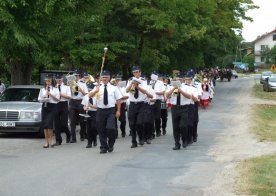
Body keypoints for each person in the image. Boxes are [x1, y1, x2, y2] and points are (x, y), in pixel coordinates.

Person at [89, 70, 122, 153]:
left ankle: (111, 144)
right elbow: (89, 95)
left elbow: (118, 100)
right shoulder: (97, 87)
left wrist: (118, 110)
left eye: (106, 77)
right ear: (101, 78)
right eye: (103, 77)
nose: (105, 79)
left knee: (111, 128)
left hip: (111, 110)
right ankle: (104, 147)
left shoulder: (114, 88)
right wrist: (95, 91)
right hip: (100, 110)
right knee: (101, 129)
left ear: (109, 78)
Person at [166, 73, 192, 150]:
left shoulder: (186, 87)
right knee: (175, 127)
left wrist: (180, 90)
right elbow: (167, 95)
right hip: (174, 108)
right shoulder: (171, 87)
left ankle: (184, 140)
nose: (178, 81)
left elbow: (189, 96)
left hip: (184, 108)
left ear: (183, 79)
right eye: (177, 79)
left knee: (183, 125)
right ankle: (177, 143)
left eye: (180, 79)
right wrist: (174, 89)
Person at [126, 66, 148, 148]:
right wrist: (132, 84)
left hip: (141, 104)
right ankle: (134, 142)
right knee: (132, 124)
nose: (136, 73)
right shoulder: (130, 80)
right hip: (132, 104)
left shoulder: (143, 81)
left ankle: (141, 138)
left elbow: (145, 91)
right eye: (134, 72)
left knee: (139, 123)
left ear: (140, 72)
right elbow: (127, 90)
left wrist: (137, 86)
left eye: (137, 72)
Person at [38, 75, 60, 148]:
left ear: (51, 81)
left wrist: (51, 95)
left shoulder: (55, 89)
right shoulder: (42, 89)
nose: (48, 82)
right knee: (45, 125)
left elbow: (58, 99)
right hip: (45, 106)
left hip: (52, 106)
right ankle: (46, 142)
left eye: (49, 81)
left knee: (49, 124)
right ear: (45, 81)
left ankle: (51, 140)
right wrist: (44, 97)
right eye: (47, 81)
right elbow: (39, 99)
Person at [68, 70, 88, 143]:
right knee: (72, 121)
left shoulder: (83, 84)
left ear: (79, 76)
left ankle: (82, 135)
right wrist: (70, 87)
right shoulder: (70, 83)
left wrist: (81, 90)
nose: (75, 77)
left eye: (77, 76)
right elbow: (68, 94)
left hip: (80, 102)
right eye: (74, 76)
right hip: (72, 101)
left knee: (82, 120)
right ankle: (73, 138)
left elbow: (86, 94)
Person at [53, 74, 72, 146]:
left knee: (64, 124)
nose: (58, 81)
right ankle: (58, 140)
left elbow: (69, 97)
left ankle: (68, 134)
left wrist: (61, 94)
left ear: (62, 79)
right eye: (57, 80)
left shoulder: (66, 87)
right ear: (55, 80)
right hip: (56, 104)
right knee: (56, 123)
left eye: (60, 80)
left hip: (64, 104)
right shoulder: (53, 87)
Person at [150, 72, 166, 138]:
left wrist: (155, 92)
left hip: (159, 101)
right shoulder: (149, 82)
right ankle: (152, 132)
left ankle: (158, 130)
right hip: (150, 101)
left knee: (158, 117)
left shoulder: (160, 83)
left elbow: (163, 92)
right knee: (151, 118)